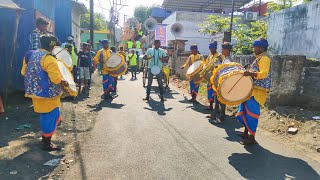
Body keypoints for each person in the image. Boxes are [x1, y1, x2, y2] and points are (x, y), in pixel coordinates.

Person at [21, 35, 67, 151]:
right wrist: (65, 82)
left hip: (35, 93)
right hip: (48, 95)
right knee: (50, 117)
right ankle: (46, 143)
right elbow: (56, 79)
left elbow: (23, 72)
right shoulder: (49, 59)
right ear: (52, 46)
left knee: (44, 116)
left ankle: (45, 140)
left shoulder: (32, 55)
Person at [236, 38, 271, 145]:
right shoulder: (258, 58)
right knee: (246, 112)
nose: (254, 48)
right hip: (251, 90)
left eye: (255, 47)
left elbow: (263, 73)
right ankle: (246, 133)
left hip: (258, 92)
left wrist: (250, 74)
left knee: (252, 114)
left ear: (261, 47)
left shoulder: (265, 59)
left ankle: (252, 138)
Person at [208, 42, 233, 123]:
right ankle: (215, 114)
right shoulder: (226, 58)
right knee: (218, 99)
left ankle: (221, 117)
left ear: (226, 50)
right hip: (221, 83)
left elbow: (226, 72)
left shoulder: (228, 60)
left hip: (223, 83)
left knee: (221, 100)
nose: (221, 50)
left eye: (222, 49)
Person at [202, 41, 220, 110]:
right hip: (209, 77)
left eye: (212, 48)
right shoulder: (210, 56)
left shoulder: (219, 56)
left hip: (216, 77)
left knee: (216, 92)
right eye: (210, 48)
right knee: (209, 91)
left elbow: (221, 65)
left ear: (215, 48)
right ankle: (210, 105)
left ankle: (217, 108)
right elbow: (205, 64)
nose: (211, 50)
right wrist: (203, 68)